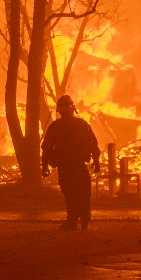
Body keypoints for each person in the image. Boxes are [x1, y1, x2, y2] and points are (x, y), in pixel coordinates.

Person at [41, 96, 100, 230]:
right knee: (81, 192)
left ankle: (73, 220)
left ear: (59, 111)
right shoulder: (81, 125)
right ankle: (82, 220)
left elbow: (47, 148)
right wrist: (96, 161)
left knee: (71, 193)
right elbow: (93, 144)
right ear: (73, 108)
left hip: (67, 166)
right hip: (75, 165)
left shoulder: (56, 127)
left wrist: (44, 166)